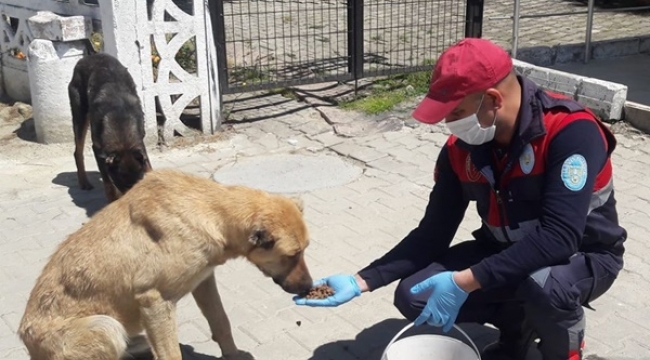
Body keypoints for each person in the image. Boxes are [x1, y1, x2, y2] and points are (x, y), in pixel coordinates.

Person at [293, 37, 627, 360]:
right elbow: (432, 233)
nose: (448, 124)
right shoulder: (460, 150)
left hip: (584, 256)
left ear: (494, 100)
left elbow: (559, 238)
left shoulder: (569, 131)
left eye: (456, 113)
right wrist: (361, 280)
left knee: (543, 287)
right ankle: (516, 332)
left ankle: (562, 350)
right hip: (507, 252)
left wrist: (464, 281)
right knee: (414, 294)